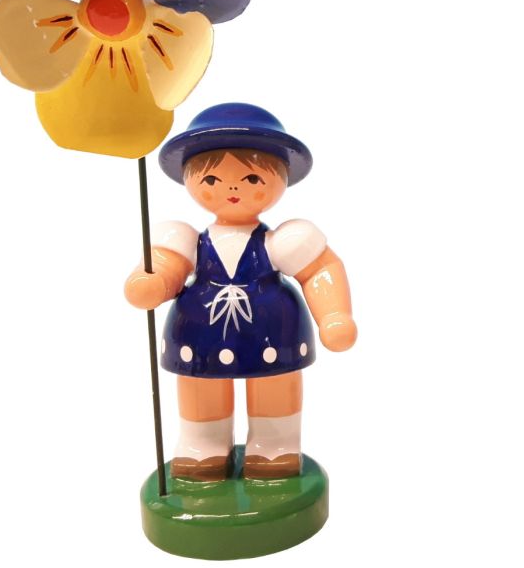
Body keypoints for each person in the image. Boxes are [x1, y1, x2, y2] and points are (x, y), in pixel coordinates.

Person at [125, 103, 357, 481]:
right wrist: (152, 282)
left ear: (282, 180)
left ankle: (275, 445)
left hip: (274, 330)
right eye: (211, 179)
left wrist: (334, 315)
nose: (232, 188)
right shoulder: (185, 239)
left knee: (274, 386)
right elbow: (168, 265)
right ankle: (203, 445)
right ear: (189, 181)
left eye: (252, 178)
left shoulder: (285, 240)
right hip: (198, 331)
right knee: (201, 389)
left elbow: (320, 269)